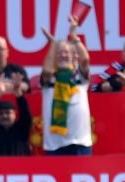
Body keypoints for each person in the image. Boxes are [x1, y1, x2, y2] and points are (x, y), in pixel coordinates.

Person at [40, 16, 92, 155]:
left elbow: (85, 59)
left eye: (66, 52)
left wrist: (74, 35)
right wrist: (54, 45)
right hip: (54, 145)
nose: (63, 55)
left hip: (80, 142)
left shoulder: (79, 76)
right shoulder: (50, 78)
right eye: (59, 53)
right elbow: (46, 69)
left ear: (73, 56)